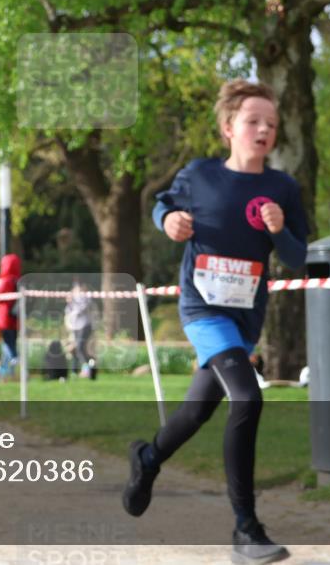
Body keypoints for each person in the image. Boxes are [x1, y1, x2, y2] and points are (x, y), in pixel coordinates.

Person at [122, 79, 308, 565]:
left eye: (271, 123)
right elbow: (164, 203)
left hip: (247, 314)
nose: (264, 129)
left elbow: (297, 257)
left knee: (197, 411)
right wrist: (169, 222)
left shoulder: (282, 187)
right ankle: (246, 529)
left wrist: (279, 229)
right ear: (229, 128)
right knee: (247, 396)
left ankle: (148, 459)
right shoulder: (200, 175)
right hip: (202, 308)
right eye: (253, 121)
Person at [0, 253, 21, 379]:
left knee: (8, 345)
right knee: (11, 344)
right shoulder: (18, 280)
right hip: (16, 319)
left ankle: (10, 372)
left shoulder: (6, 281)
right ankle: (10, 372)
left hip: (5, 319)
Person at [65, 279, 96, 379]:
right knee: (75, 349)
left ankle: (88, 368)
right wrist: (70, 302)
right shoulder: (73, 299)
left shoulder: (86, 297)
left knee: (80, 348)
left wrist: (73, 301)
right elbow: (68, 311)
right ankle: (75, 371)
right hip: (75, 327)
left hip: (85, 326)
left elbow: (81, 310)